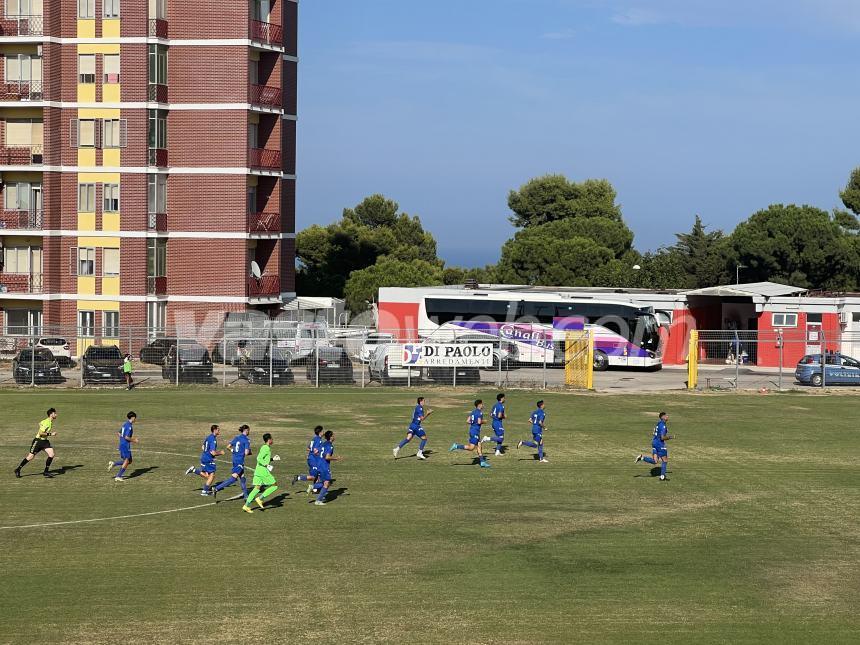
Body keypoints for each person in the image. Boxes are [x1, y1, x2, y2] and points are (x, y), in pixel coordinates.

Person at [14, 407, 59, 478]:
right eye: (55, 413)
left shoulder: (48, 421)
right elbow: (41, 433)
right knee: (30, 457)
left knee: (52, 454)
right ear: (51, 414)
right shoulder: (47, 422)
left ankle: (46, 471)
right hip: (38, 441)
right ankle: (18, 469)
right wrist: (51, 434)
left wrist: (42, 426)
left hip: (44, 441)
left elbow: (40, 423)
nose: (56, 414)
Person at [242, 432, 280, 513]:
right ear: (269, 440)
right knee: (275, 485)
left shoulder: (264, 447)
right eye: (272, 439)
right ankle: (260, 498)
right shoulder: (266, 448)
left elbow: (264, 458)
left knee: (256, 488)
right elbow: (259, 458)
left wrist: (273, 459)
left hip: (258, 471)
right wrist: (267, 465)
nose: (272, 440)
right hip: (263, 471)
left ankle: (246, 506)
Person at [212, 424, 251, 500]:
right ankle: (216, 488)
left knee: (242, 478)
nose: (249, 432)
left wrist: (234, 451)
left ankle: (246, 496)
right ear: (246, 430)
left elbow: (228, 447)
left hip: (234, 459)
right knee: (234, 478)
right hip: (239, 460)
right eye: (248, 430)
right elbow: (246, 453)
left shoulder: (237, 438)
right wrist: (248, 451)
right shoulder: (246, 440)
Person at [449, 400, 490, 468]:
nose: (483, 405)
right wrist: (484, 421)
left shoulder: (473, 412)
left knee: (479, 445)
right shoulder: (480, 412)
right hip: (475, 431)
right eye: (482, 404)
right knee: (471, 448)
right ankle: (456, 446)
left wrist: (474, 423)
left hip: (472, 430)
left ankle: (482, 462)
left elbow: (467, 421)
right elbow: (479, 422)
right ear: (479, 405)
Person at [185, 425, 224, 496]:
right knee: (212, 475)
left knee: (207, 476)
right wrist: (220, 453)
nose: (219, 431)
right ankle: (205, 491)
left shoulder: (208, 437)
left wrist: (207, 452)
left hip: (203, 457)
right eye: (218, 430)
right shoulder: (213, 440)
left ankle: (194, 470)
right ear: (214, 430)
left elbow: (203, 447)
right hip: (208, 459)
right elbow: (213, 452)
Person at [636, 412, 673, 481]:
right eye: (666, 415)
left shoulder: (659, 423)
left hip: (654, 442)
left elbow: (654, 433)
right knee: (665, 460)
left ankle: (642, 458)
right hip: (659, 444)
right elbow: (662, 438)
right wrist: (669, 437)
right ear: (663, 417)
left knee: (655, 461)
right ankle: (662, 477)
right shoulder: (663, 425)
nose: (667, 416)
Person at [292, 425, 323, 494]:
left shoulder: (314, 439)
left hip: (311, 458)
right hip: (314, 460)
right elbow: (315, 450)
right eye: (322, 431)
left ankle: (315, 490)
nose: (323, 432)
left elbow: (308, 448)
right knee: (314, 477)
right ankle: (298, 477)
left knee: (318, 474)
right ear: (320, 432)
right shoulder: (318, 440)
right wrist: (320, 453)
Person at [108, 411, 138, 481]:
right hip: (125, 445)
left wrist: (122, 439)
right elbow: (127, 437)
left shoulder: (125, 424)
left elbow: (118, 433)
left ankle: (114, 464)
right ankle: (118, 476)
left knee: (129, 461)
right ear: (133, 417)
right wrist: (134, 440)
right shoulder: (129, 426)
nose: (135, 419)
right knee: (127, 461)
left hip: (122, 444)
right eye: (135, 418)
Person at [314, 430, 342, 506]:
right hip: (324, 466)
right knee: (326, 483)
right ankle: (318, 500)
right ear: (331, 437)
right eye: (333, 435)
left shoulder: (323, 444)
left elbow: (316, 452)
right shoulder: (330, 446)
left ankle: (313, 487)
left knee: (325, 482)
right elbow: (327, 457)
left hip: (319, 464)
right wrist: (336, 458)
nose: (334, 437)